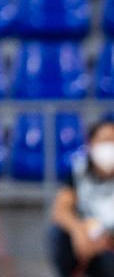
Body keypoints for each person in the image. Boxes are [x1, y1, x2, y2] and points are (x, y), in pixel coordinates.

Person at [51, 118, 114, 277]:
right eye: (105, 141)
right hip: (87, 236)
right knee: (57, 234)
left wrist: (107, 239)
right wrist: (77, 230)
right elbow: (60, 210)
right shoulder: (79, 171)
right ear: (91, 143)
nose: (110, 147)